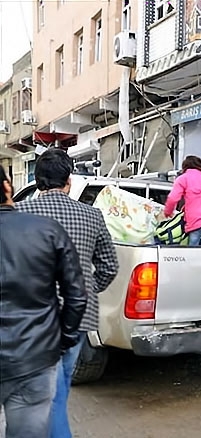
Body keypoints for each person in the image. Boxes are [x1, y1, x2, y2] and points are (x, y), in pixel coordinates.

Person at [16, 148, 119, 438]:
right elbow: (109, 267)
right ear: (69, 181)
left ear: (37, 182)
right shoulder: (92, 216)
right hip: (76, 320)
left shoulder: (18, 214)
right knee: (57, 390)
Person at [0, 165, 87, 438]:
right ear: (7, 187)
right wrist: (63, 339)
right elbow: (76, 294)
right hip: (35, 357)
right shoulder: (47, 231)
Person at [164, 155, 201, 246]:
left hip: (195, 218)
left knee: (193, 247)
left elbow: (173, 198)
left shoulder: (183, 179)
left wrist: (167, 212)